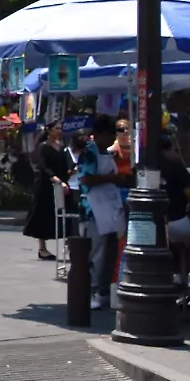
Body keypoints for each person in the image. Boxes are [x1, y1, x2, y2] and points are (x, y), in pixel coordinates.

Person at [79, 114, 126, 311]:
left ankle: (105, 290)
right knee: (96, 253)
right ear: (98, 135)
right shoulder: (89, 153)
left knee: (110, 253)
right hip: (93, 210)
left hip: (110, 207)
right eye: (109, 135)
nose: (111, 139)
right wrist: (112, 179)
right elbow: (86, 180)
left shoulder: (107, 153)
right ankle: (93, 291)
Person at [155, 134, 190, 287]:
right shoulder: (176, 168)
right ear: (166, 150)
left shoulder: (145, 167)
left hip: (148, 225)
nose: (178, 152)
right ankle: (182, 274)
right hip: (175, 222)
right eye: (175, 149)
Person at [25, 124, 71, 261]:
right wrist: (56, 180)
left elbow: (65, 166)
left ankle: (68, 244)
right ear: (49, 131)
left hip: (61, 185)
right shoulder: (43, 147)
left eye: (60, 128)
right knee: (43, 215)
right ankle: (42, 248)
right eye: (56, 128)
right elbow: (43, 167)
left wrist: (69, 173)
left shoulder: (62, 147)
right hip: (45, 186)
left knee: (65, 214)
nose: (59, 131)